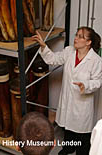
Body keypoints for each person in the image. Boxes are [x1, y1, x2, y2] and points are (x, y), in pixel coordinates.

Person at [32, 26, 102, 155]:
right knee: (68, 127)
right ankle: (68, 148)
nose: (76, 38)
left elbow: (98, 81)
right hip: (68, 99)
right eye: (76, 35)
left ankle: (82, 151)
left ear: (88, 42)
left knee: (82, 131)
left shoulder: (96, 61)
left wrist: (85, 85)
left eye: (81, 36)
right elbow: (53, 59)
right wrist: (43, 45)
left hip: (83, 103)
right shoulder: (69, 51)